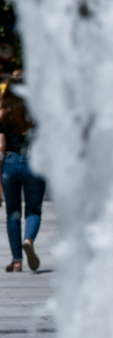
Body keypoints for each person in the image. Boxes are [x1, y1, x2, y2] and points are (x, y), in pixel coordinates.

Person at [0, 75, 44, 272]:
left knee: (12, 213)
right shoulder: (38, 113)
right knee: (33, 210)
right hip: (34, 163)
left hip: (10, 163)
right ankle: (29, 240)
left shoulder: (3, 114)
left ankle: (17, 261)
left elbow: (0, 146)